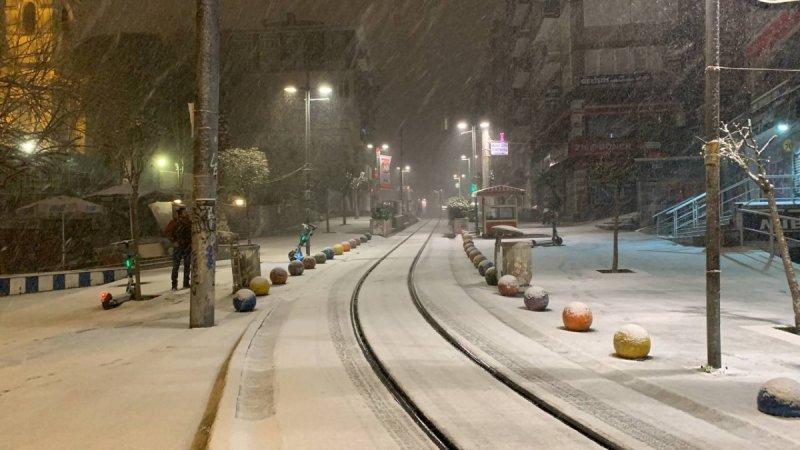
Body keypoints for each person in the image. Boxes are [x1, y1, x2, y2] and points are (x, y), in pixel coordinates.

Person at [165, 206, 192, 290]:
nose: (186, 213)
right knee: (176, 266)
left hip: (187, 246)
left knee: (187, 265)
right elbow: (167, 232)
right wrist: (173, 241)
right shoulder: (175, 222)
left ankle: (186, 283)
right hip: (178, 246)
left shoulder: (189, 222)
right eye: (184, 211)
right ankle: (174, 285)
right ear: (180, 213)